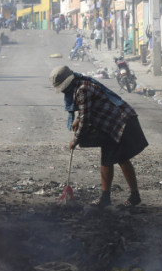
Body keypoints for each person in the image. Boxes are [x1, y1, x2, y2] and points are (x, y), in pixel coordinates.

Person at [50, 65, 148, 208]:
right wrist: (77, 120)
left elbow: (85, 118)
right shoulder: (80, 86)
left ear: (68, 83)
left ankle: (131, 196)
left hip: (121, 122)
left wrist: (76, 140)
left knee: (121, 158)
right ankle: (107, 197)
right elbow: (86, 110)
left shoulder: (82, 90)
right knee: (109, 159)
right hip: (110, 125)